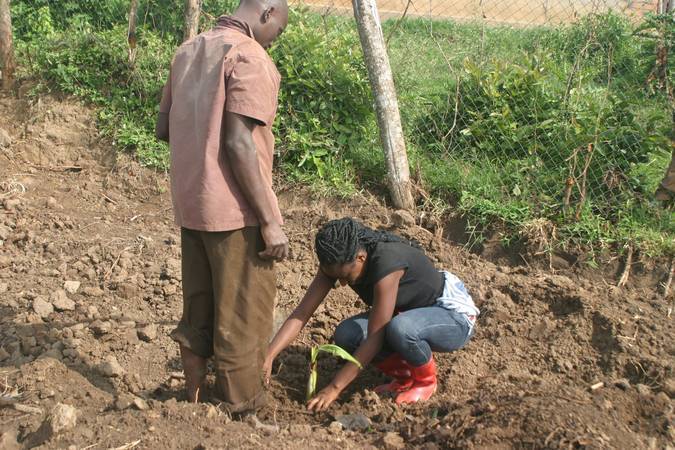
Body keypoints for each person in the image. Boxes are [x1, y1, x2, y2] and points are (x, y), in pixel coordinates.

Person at [155, 0, 289, 413]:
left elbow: (163, 128)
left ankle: (193, 403)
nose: (275, 39)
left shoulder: (188, 51)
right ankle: (240, 413)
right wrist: (270, 220)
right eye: (279, 30)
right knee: (242, 320)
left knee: (198, 311)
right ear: (267, 13)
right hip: (236, 214)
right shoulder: (250, 57)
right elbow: (237, 142)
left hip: (194, 205)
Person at [264, 218, 479, 411]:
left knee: (402, 329)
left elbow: (375, 337)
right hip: (410, 315)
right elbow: (302, 313)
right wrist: (269, 355)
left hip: (452, 317)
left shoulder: (387, 265)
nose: (342, 283)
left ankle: (426, 382)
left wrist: (334, 388)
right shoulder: (336, 262)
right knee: (347, 334)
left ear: (360, 258)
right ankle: (406, 377)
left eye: (346, 277)